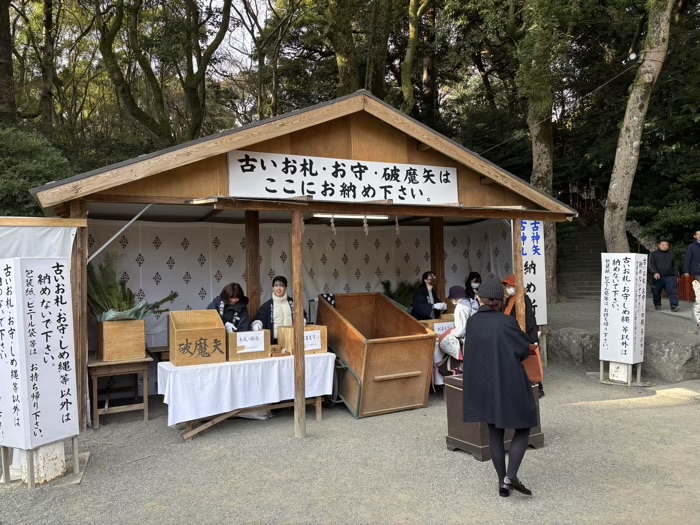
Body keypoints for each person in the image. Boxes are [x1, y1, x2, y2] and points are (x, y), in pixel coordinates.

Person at [462, 274, 537, 498]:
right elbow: (523, 349)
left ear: (480, 299)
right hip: (508, 383)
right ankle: (510, 476)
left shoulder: (472, 322)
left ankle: (502, 484)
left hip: (484, 385)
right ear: (498, 301)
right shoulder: (506, 322)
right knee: (523, 426)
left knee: (495, 432)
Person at [502, 274, 543, 398]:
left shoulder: (525, 299)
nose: (508, 288)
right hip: (511, 335)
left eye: (510, 285)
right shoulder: (509, 300)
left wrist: (532, 339)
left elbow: (530, 320)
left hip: (524, 335)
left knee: (530, 363)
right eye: (507, 286)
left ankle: (538, 388)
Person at [251, 275, 306, 344]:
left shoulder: (294, 303)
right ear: (273, 288)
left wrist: (302, 320)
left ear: (285, 287)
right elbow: (260, 318)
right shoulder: (267, 305)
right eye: (276, 285)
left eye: (281, 285)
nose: (278, 288)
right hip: (274, 340)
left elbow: (303, 315)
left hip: (292, 338)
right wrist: (257, 324)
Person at [439, 285, 476, 359]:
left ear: (453, 298)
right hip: (474, 337)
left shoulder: (459, 308)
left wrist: (451, 332)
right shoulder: (470, 303)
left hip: (466, 341)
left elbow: (460, 331)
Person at [649, 240, 679, 312]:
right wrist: (655, 272)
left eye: (666, 245)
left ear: (668, 246)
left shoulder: (671, 255)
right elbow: (650, 264)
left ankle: (674, 305)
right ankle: (657, 304)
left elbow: (675, 266)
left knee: (672, 291)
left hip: (670, 277)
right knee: (656, 292)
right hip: (658, 277)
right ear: (658, 245)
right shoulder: (653, 254)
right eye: (663, 245)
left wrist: (676, 276)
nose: (664, 246)